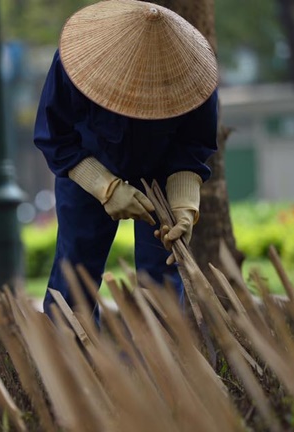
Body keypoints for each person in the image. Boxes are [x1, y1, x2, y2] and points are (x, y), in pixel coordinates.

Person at [33, 0, 219, 320]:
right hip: (87, 163)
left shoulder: (196, 72)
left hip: (161, 172)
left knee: (162, 275)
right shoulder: (75, 58)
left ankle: (163, 362)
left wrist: (184, 204)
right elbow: (55, 136)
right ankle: (73, 364)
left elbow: (192, 143)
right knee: (75, 275)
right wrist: (103, 186)